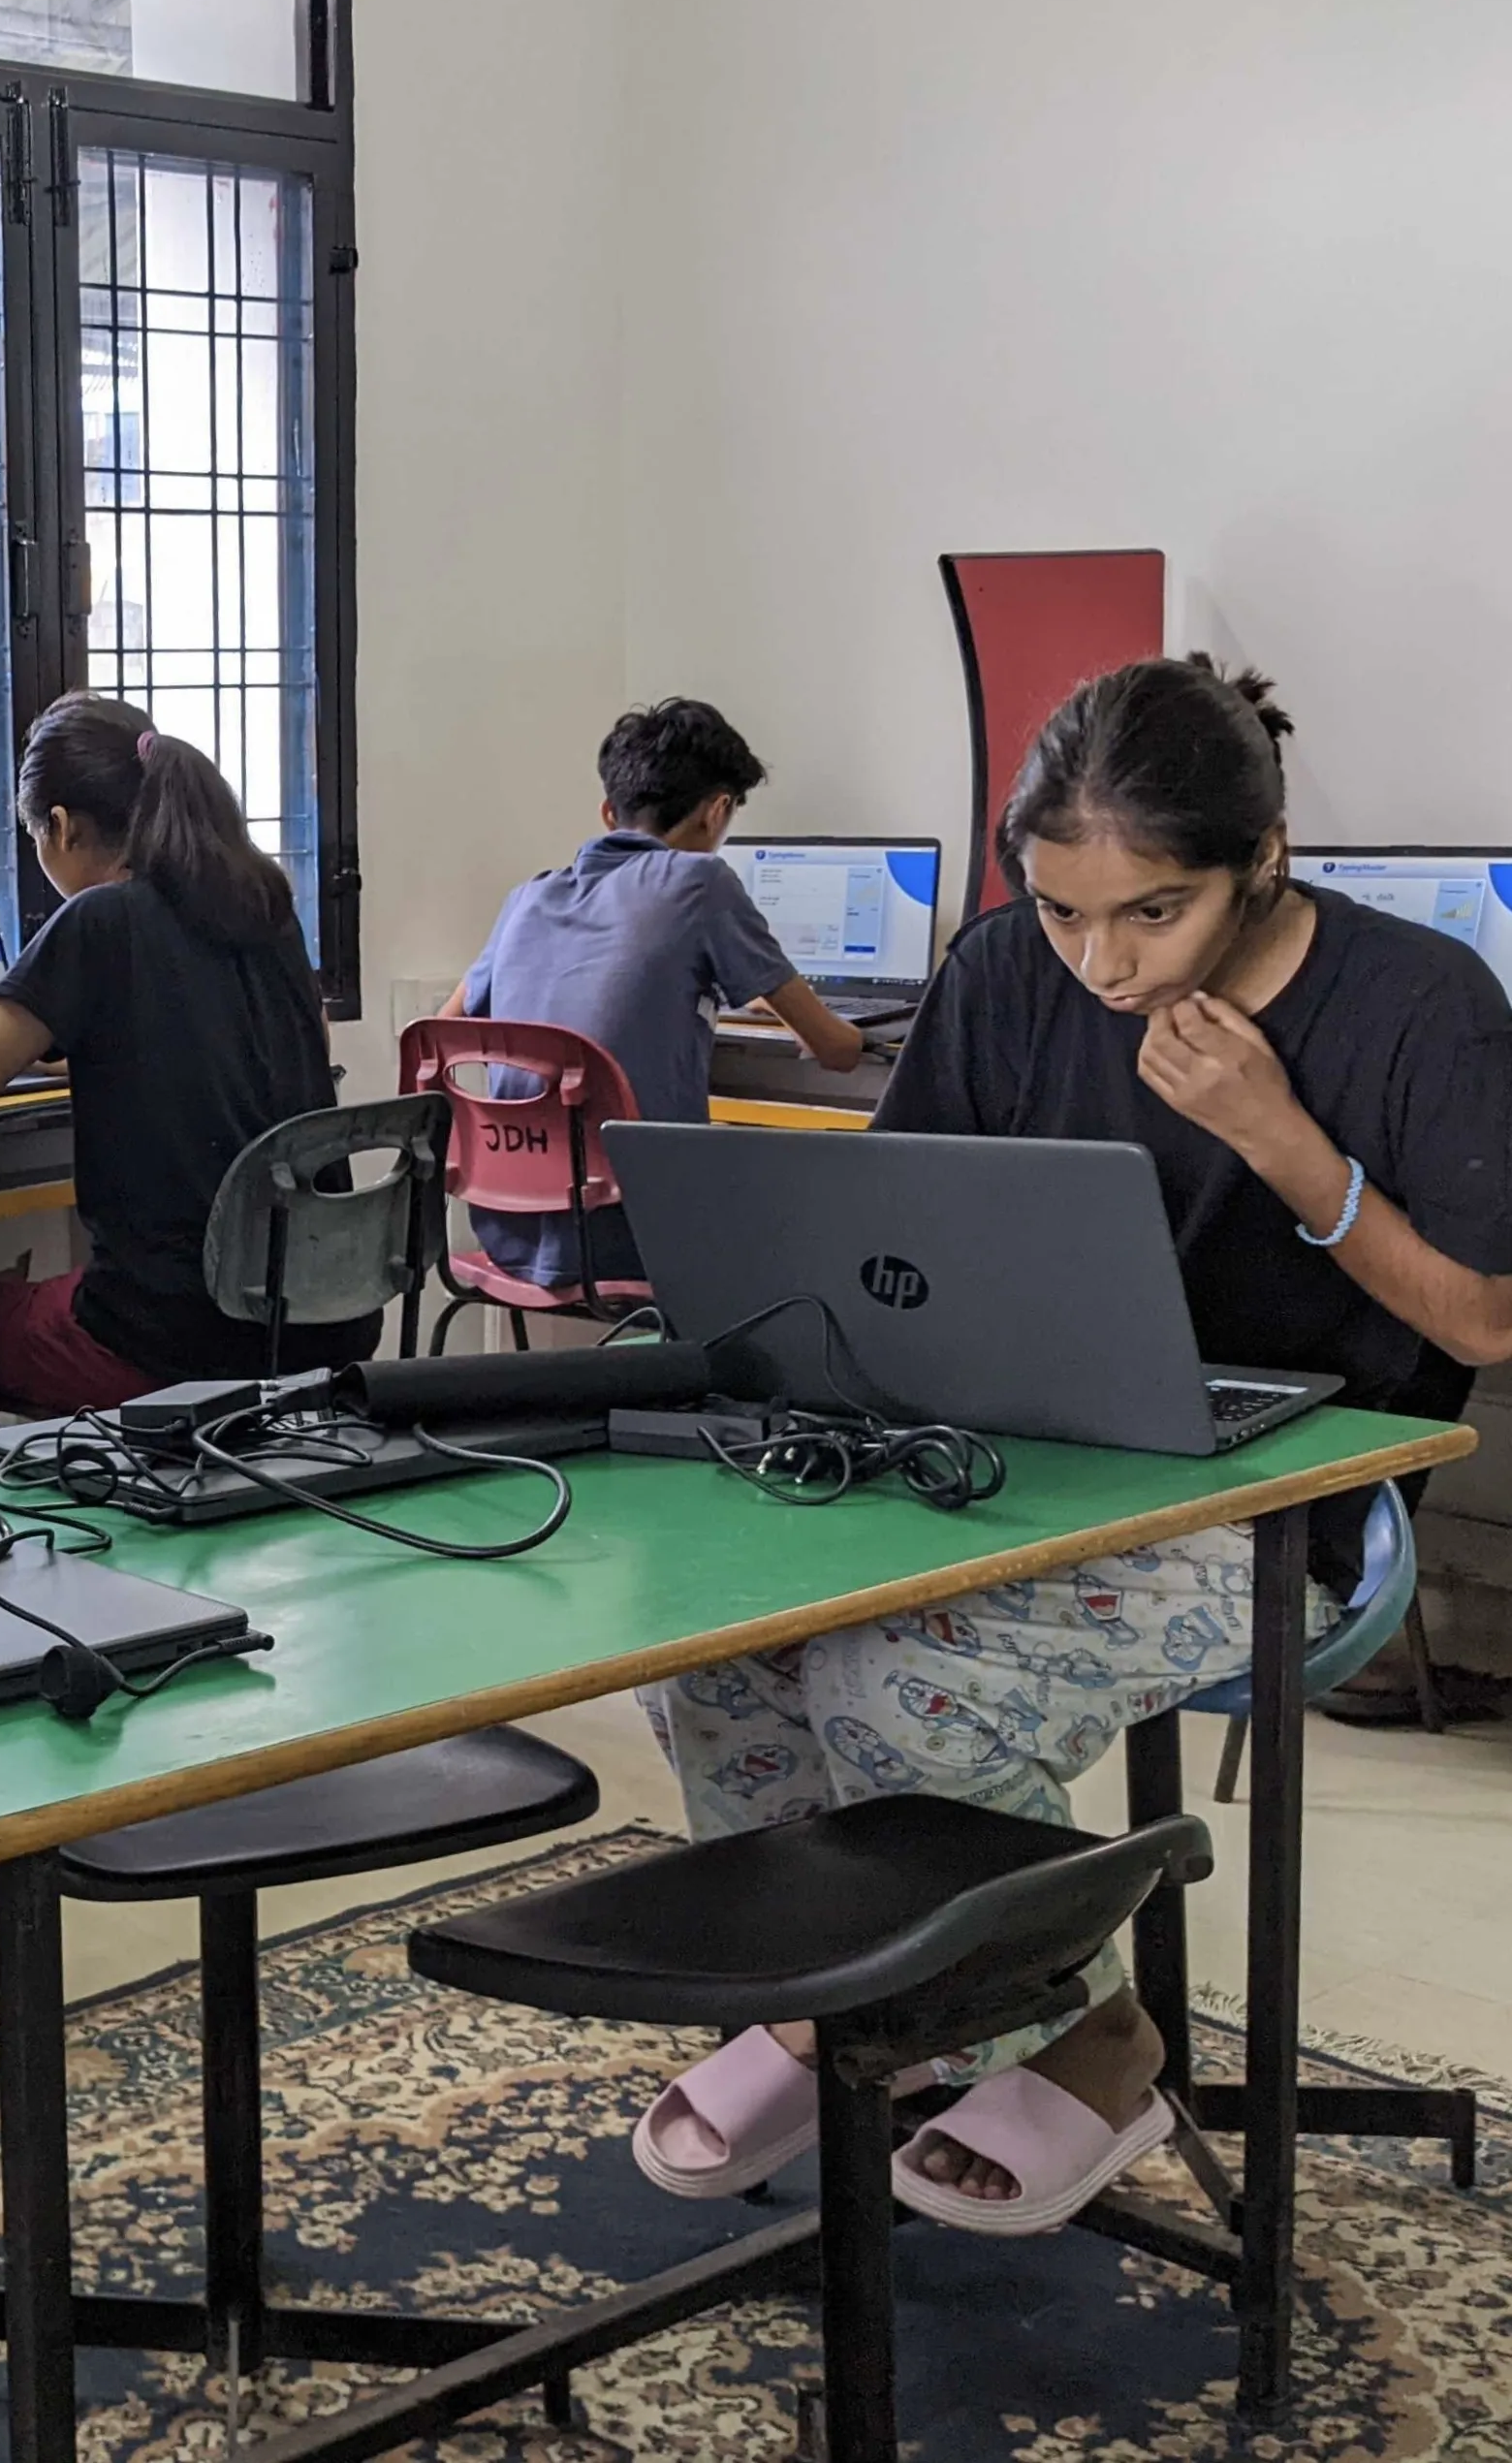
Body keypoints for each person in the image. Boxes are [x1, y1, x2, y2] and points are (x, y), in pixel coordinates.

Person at [638, 656, 1512, 2232]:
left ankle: (1094, 2038)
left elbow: (1486, 1320)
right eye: (1059, 913)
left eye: (1152, 914)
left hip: (1284, 1511)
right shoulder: (999, 975)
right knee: (721, 1648)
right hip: (1018, 1460)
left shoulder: (1421, 1006)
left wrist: (1286, 1147)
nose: (1099, 966)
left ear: (1266, 858)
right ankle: (849, 1994)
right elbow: (888, 1242)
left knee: (898, 1680)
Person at [0, 695, 346, 1458]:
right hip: (314, 1314)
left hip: (170, 1339)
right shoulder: (265, 906)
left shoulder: (100, 920)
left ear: (64, 827)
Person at [458, 698, 865, 1289]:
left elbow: (445, 1027)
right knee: (809, 1210)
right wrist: (870, 1035)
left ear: (607, 811)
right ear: (717, 810)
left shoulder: (529, 897)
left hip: (508, 1226)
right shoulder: (701, 882)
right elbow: (834, 1051)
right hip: (637, 1232)